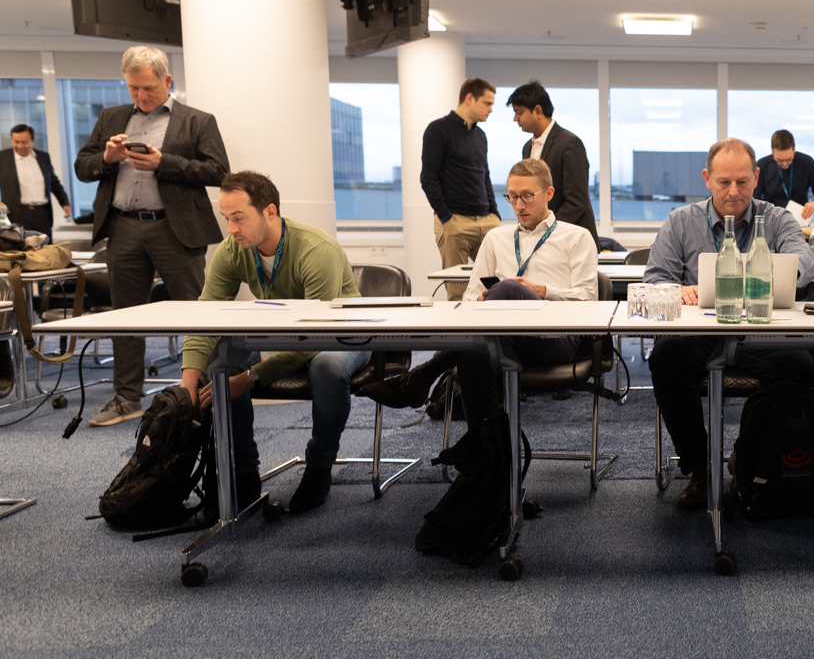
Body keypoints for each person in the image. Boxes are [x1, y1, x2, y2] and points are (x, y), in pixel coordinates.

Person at [646, 138, 814, 508]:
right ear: (707, 178)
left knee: (801, 367)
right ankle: (701, 468)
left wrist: (785, 274)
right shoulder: (680, 222)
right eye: (724, 182)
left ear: (756, 177)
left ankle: (746, 457)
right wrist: (679, 290)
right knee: (664, 357)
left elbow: (806, 260)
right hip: (700, 334)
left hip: (759, 331)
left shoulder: (776, 219)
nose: (734, 191)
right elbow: (655, 280)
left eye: (742, 181)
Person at [179, 172, 364, 516]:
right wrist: (188, 382)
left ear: (270, 211)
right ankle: (244, 474)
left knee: (327, 366)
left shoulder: (315, 249)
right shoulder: (233, 251)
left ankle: (320, 466)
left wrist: (252, 377)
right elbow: (206, 315)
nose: (231, 229)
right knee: (221, 365)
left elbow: (315, 336)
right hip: (281, 335)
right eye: (226, 218)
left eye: (238, 218)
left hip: (340, 334)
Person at [358, 158, 598, 417]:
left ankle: (425, 373)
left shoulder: (577, 237)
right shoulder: (496, 238)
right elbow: (470, 297)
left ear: (549, 193)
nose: (519, 205)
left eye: (527, 196)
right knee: (473, 355)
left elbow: (590, 301)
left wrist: (543, 291)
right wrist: (485, 301)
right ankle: (486, 442)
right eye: (512, 196)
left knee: (509, 288)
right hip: (504, 338)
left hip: (555, 339)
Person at [75, 45, 230, 427]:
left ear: (167, 80)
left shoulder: (196, 120)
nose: (141, 96)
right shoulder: (111, 117)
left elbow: (218, 171)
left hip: (175, 229)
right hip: (123, 226)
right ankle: (127, 398)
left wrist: (165, 163)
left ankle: (209, 395)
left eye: (149, 88)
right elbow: (82, 167)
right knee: (125, 319)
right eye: (134, 88)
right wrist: (108, 159)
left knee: (198, 314)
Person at [421, 77, 502, 300]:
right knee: (457, 293)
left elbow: (485, 176)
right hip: (455, 222)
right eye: (487, 103)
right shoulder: (438, 129)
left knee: (499, 284)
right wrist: (446, 218)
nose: (491, 109)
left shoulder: (480, 135)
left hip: (486, 221)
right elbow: (428, 177)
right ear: (470, 98)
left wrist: (494, 213)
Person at [507, 80, 600, 249]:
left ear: (537, 111)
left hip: (571, 238)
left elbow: (577, 201)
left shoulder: (570, 144)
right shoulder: (527, 147)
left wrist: (547, 229)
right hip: (543, 238)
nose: (515, 119)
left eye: (519, 112)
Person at [0, 124, 70, 241]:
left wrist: (64, 202)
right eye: (16, 142)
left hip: (42, 215)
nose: (20, 146)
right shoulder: (2, 158)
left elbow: (53, 182)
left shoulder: (43, 157)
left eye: (24, 142)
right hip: (17, 215)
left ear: (32, 141)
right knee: (18, 249)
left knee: (45, 248)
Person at [752, 130, 814, 221]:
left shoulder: (807, 163)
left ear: (794, 150)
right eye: (779, 160)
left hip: (799, 221)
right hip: (771, 221)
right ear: (772, 152)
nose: (784, 164)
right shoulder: (762, 165)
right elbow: (754, 199)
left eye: (789, 159)